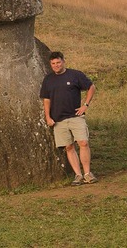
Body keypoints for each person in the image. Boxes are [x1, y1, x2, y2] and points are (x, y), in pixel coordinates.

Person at [40, 51, 97, 186]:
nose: (56, 65)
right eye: (53, 63)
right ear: (50, 64)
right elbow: (46, 100)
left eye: (58, 62)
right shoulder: (48, 79)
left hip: (75, 116)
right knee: (69, 147)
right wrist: (48, 117)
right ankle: (78, 175)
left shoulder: (75, 75)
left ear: (63, 61)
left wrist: (85, 105)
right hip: (58, 120)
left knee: (83, 143)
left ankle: (87, 173)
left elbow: (91, 87)